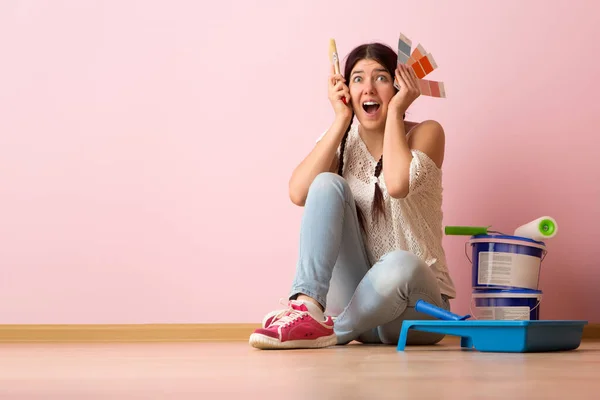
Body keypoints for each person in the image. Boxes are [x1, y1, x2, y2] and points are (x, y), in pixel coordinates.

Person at [249, 42, 456, 350]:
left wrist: (396, 110)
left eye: (381, 78)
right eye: (358, 79)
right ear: (347, 89)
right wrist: (341, 120)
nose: (369, 88)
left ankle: (330, 332)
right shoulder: (344, 141)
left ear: (399, 85)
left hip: (416, 314)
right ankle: (306, 309)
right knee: (325, 183)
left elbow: (397, 185)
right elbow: (299, 193)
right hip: (360, 311)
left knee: (403, 264)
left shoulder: (427, 133)